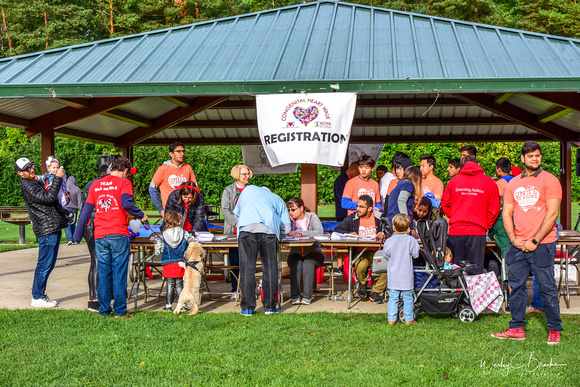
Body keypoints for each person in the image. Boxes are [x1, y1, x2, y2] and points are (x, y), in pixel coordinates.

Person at [492, 141, 563, 344]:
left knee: (547, 286)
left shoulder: (550, 180)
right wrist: (514, 239)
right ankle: (516, 328)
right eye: (531, 156)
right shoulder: (513, 183)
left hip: (542, 243)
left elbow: (553, 214)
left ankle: (554, 329)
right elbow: (506, 212)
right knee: (516, 286)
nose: (535, 159)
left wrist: (535, 240)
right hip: (518, 244)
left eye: (537, 155)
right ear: (522, 159)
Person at [74, 156, 148, 318]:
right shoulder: (124, 183)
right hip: (118, 233)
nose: (128, 176)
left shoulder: (96, 184)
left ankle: (104, 310)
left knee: (104, 273)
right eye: (128, 173)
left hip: (100, 235)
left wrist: (77, 234)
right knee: (119, 274)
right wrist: (142, 215)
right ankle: (120, 311)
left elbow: (86, 211)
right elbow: (126, 204)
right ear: (126, 170)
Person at [15, 157, 68, 308]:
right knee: (44, 264)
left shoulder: (33, 181)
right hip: (46, 229)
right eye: (27, 169)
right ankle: (37, 297)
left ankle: (40, 295)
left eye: (31, 166)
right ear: (20, 173)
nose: (32, 169)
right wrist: (57, 179)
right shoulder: (28, 185)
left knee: (48, 264)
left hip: (51, 227)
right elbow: (48, 197)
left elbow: (48, 196)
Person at [234, 186, 291, 316]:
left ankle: (247, 308)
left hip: (246, 231)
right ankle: (270, 307)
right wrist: (278, 235)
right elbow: (287, 228)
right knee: (270, 269)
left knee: (247, 269)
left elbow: (236, 217)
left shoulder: (245, 194)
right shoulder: (277, 199)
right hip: (269, 231)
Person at [441, 155, 500, 274]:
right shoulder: (489, 182)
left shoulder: (454, 181)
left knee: (456, 269)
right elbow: (494, 209)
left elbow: (445, 203)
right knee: (474, 268)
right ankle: (473, 292)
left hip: (456, 230)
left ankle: (459, 292)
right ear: (478, 165)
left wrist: (453, 217)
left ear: (461, 166)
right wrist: (486, 224)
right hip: (477, 230)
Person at [334, 195, 384, 299]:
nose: (357, 209)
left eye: (361, 206)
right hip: (360, 252)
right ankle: (362, 283)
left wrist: (384, 233)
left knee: (390, 267)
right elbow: (338, 229)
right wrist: (349, 233)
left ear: (370, 208)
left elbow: (391, 229)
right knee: (361, 266)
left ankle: (376, 291)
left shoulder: (380, 217)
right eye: (357, 206)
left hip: (378, 252)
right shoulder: (353, 218)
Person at [80, 164, 109, 311]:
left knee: (96, 261)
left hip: (90, 225)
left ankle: (97, 296)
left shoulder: (91, 184)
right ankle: (94, 299)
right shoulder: (98, 185)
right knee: (97, 261)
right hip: (93, 225)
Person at [154, 211, 196, 311]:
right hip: (180, 263)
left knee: (169, 285)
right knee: (179, 285)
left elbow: (158, 250)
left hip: (168, 264)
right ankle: (182, 305)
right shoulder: (184, 233)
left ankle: (168, 305)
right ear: (178, 221)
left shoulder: (163, 235)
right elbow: (193, 241)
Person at [286, 197, 325, 305]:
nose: (290, 212)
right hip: (295, 252)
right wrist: (291, 233)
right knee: (296, 264)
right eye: (289, 210)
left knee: (308, 263)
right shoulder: (289, 219)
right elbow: (282, 232)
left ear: (301, 208)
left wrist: (303, 233)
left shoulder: (312, 217)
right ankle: (295, 297)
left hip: (313, 252)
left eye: (293, 210)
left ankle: (307, 297)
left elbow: (319, 231)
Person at [222, 165, 252, 298]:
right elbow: (226, 210)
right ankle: (235, 289)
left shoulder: (252, 190)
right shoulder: (228, 190)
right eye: (244, 174)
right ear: (236, 175)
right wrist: (237, 224)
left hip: (249, 230)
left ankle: (247, 290)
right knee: (235, 261)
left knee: (248, 261)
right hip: (233, 231)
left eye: (248, 174)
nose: (247, 176)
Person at [385, 213, 420, 325]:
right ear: (408, 228)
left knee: (393, 298)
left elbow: (386, 255)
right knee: (408, 298)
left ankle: (391, 319)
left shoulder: (389, 241)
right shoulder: (411, 241)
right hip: (406, 275)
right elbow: (416, 254)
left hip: (394, 275)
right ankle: (409, 318)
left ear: (394, 227)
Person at [149, 141, 196, 217]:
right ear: (171, 154)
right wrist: (160, 209)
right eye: (178, 151)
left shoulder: (188, 168)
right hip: (169, 211)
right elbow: (152, 189)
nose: (182, 154)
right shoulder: (163, 168)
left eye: (183, 151)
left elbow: (195, 189)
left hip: (186, 211)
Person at [41, 156, 75, 224]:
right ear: (49, 169)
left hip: (57, 194)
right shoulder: (45, 176)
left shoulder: (59, 176)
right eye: (54, 168)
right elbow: (42, 180)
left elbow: (61, 183)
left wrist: (52, 184)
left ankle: (70, 214)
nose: (56, 169)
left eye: (57, 167)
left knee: (59, 207)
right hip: (50, 195)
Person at [64, 176, 82, 245]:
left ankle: (69, 239)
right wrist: (81, 210)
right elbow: (79, 201)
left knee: (67, 224)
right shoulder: (77, 189)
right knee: (73, 224)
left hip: (66, 208)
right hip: (75, 209)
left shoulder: (64, 188)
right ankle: (74, 239)